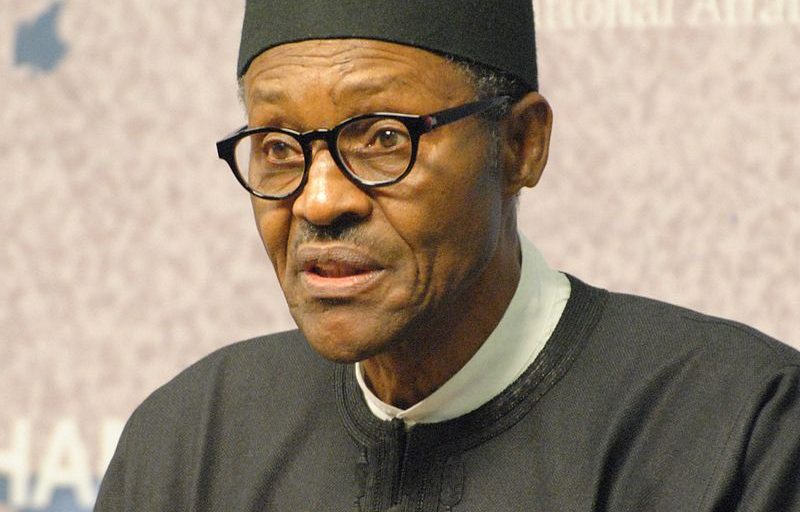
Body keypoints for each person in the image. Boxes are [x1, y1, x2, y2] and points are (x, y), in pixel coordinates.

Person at [95, 1, 800, 510]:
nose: (319, 201)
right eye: (278, 148)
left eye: (383, 138)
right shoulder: (190, 443)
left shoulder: (738, 430)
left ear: (520, 145)